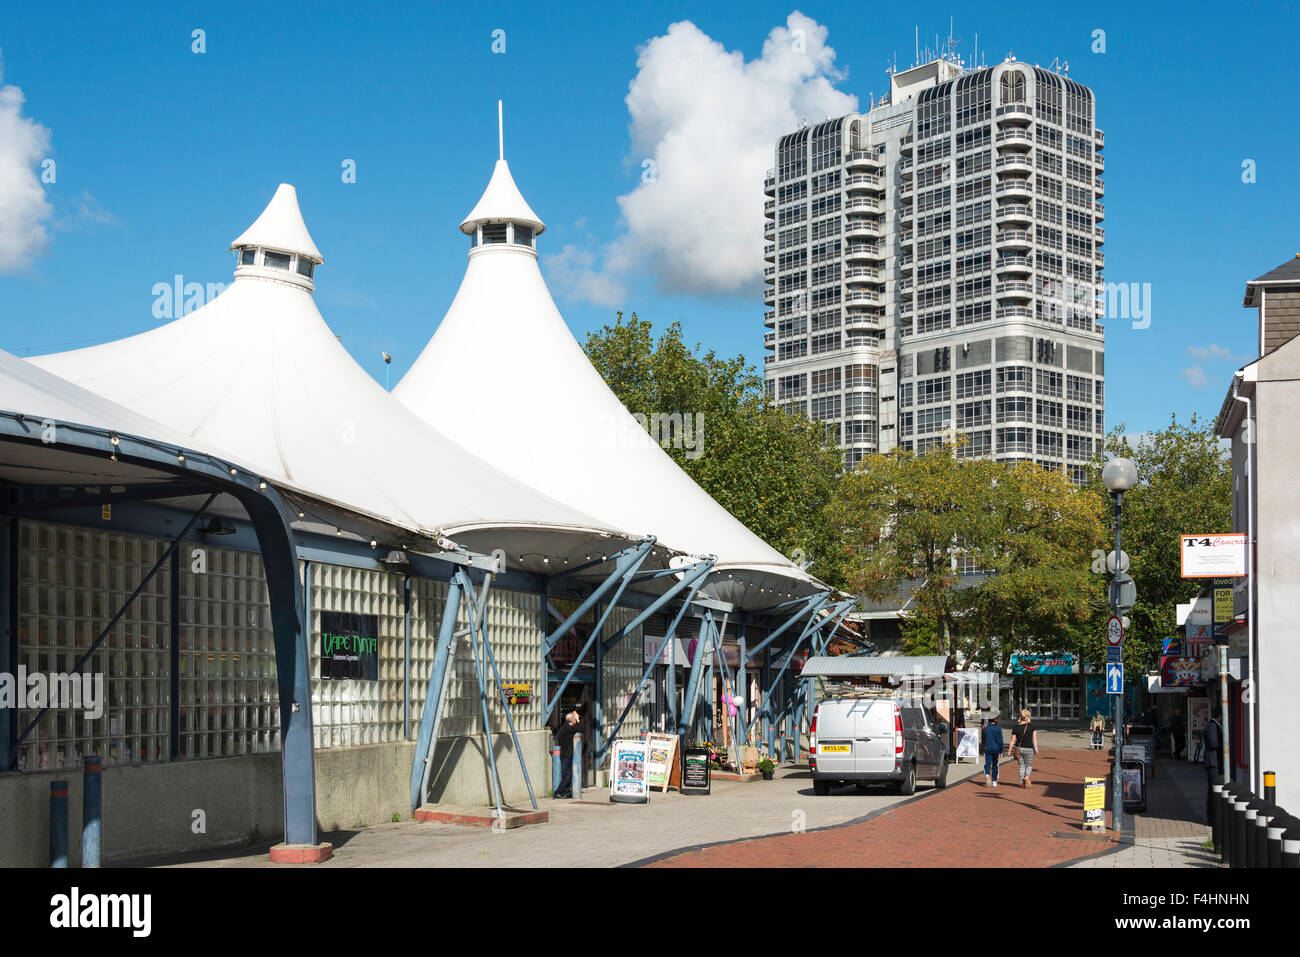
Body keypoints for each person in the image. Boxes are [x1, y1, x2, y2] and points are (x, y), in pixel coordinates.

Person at [1202, 706, 1224, 823]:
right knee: (1213, 790)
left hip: (1213, 761)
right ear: (1220, 716)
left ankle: (1213, 817)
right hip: (1213, 761)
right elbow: (1213, 743)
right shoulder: (1213, 726)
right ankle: (1211, 818)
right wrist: (1224, 742)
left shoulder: (1212, 725)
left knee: (1213, 790)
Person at [554, 708, 580, 799]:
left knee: (567, 774)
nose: (575, 721)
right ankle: (557, 792)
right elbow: (581, 728)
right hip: (565, 755)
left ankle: (567, 792)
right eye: (574, 719)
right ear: (571, 720)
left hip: (566, 754)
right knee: (567, 775)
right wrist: (578, 719)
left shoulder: (565, 727)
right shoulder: (567, 728)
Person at [1010, 709, 1038, 787]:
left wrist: (1009, 750)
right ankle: (1027, 776)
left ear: (1020, 717)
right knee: (1029, 765)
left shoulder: (1016, 727)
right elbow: (1035, 740)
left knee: (1021, 766)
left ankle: (1022, 783)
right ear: (1028, 717)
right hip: (1029, 748)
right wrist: (1036, 750)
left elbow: (1012, 740)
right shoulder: (1032, 727)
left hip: (1019, 748)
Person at [981, 712, 1004, 787]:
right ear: (996, 720)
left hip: (987, 748)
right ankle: (994, 781)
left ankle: (987, 774)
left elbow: (983, 740)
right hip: (996, 749)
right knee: (995, 764)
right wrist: (1001, 751)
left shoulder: (985, 729)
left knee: (987, 763)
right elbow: (1000, 741)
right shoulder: (998, 729)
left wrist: (984, 747)